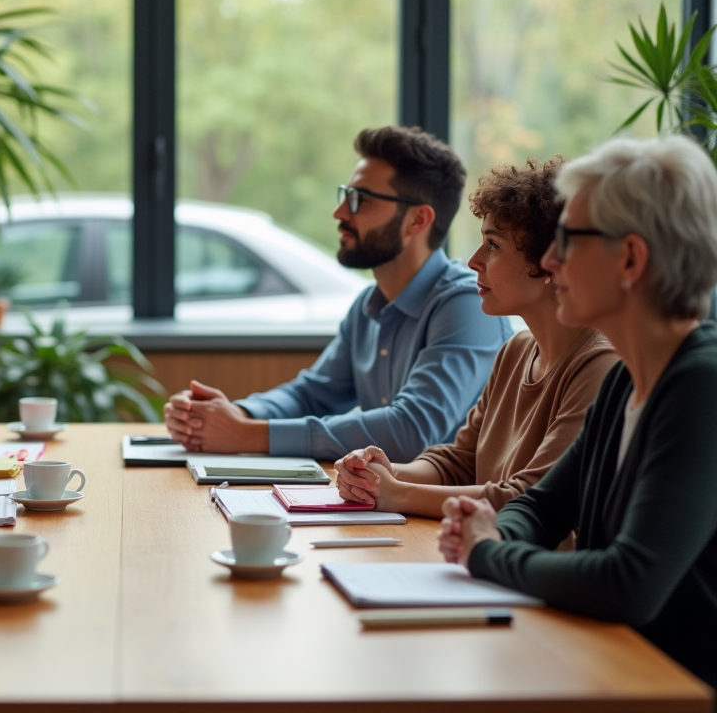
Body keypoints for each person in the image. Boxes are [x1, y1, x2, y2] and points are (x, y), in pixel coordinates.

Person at [439, 135, 717, 689]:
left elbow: (626, 583)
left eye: (568, 240)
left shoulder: (701, 386)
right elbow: (541, 507)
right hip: (612, 669)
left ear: (630, 259)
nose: (548, 261)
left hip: (673, 689)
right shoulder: (626, 381)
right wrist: (491, 530)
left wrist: (487, 552)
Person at [164, 125, 511, 461]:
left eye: (361, 200)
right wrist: (232, 414)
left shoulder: (467, 304)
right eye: (346, 195)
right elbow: (312, 395)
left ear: (417, 220)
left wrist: (247, 434)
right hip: (383, 497)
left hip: (452, 501)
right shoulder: (367, 306)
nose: (340, 212)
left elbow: (412, 430)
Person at [333, 158, 617, 517]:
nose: (473, 260)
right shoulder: (516, 350)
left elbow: (532, 498)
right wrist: (380, 474)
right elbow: (459, 461)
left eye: (493, 245)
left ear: (549, 261)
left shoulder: (600, 365)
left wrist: (398, 494)